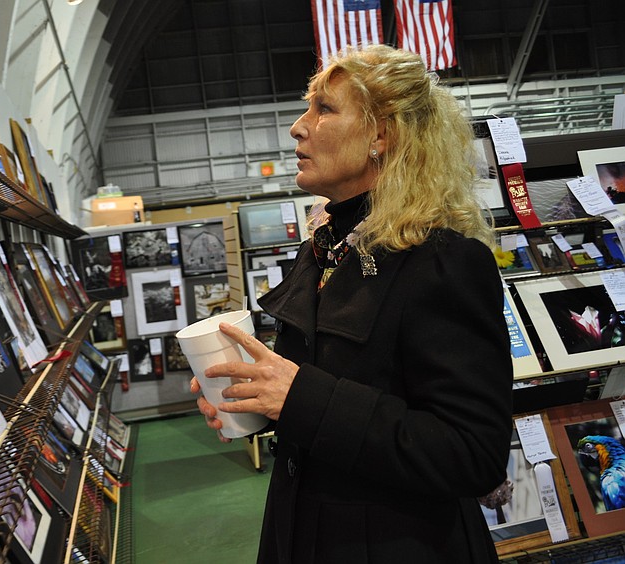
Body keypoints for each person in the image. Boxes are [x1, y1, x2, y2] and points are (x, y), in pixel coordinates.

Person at [191, 44, 513, 564]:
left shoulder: (444, 262)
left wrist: (296, 399)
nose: (299, 127)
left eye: (324, 108)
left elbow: (472, 454)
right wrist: (256, 402)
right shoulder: (323, 250)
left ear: (381, 135)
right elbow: (336, 394)